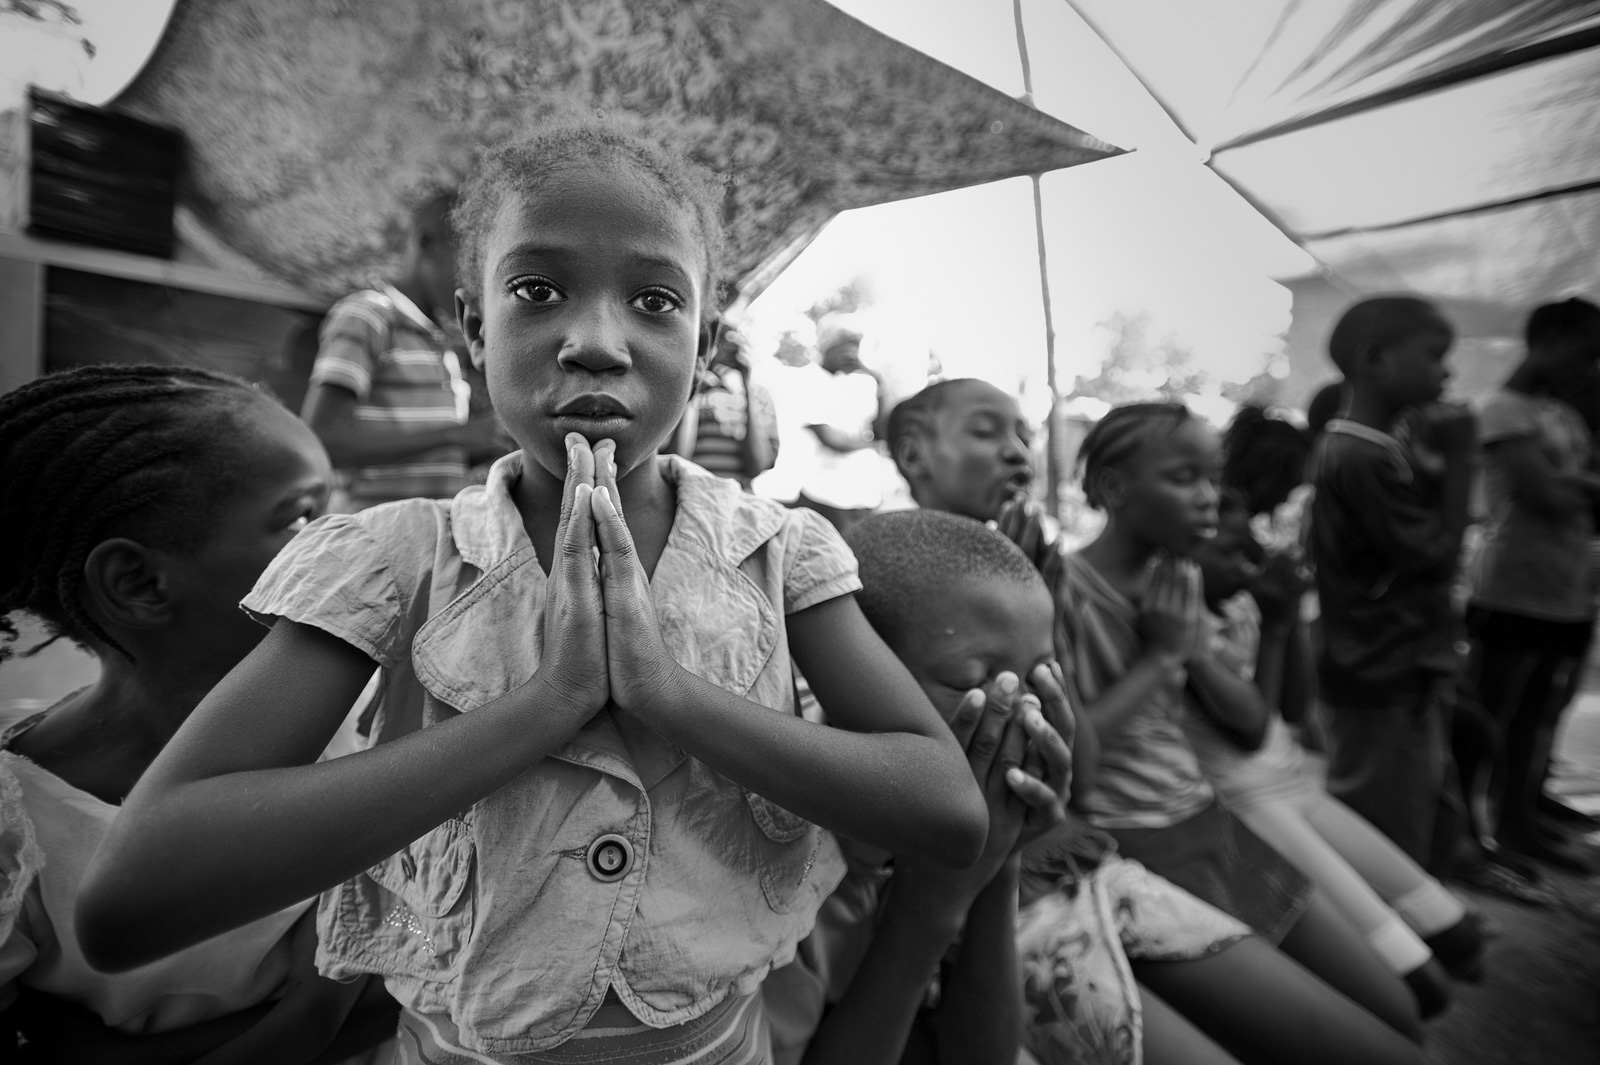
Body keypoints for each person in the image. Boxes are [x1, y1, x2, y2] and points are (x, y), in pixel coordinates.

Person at [77, 124, 988, 1064]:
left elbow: (946, 811)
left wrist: (669, 694)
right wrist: (544, 705)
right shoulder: (395, 561)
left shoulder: (778, 553)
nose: (597, 342)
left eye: (655, 300)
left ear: (705, 340)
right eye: (537, 290)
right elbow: (129, 900)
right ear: (475, 328)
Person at [885, 380, 1425, 1065]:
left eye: (1024, 435)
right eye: (990, 433)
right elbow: (1071, 778)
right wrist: (1163, 653)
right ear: (912, 452)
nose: (1020, 454)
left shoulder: (1054, 580)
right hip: (1012, 892)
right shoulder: (876, 579)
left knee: (1396, 1024)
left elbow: (1077, 764)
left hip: (1090, 857)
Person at [0, 365, 395, 1062]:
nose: (343, 543)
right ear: (140, 582)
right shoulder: (20, 822)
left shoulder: (370, 722)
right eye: (301, 517)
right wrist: (315, 1015)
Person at [765, 510, 1075, 1065]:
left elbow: (983, 1054)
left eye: (1043, 677)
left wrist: (996, 859)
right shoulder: (780, 863)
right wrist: (932, 906)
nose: (1023, 711)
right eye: (971, 682)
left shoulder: (964, 816)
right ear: (848, 679)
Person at [1190, 489, 1484, 1011]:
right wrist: (1279, 626)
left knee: (1460, 935)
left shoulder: (1241, 605)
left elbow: (1298, 708)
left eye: (1251, 553)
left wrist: (1289, 615)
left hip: (1295, 785)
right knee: (1422, 986)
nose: (1248, 564)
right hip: (1247, 802)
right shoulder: (1184, 625)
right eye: (1231, 552)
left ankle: (1406, 943)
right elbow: (1252, 730)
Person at [1309, 296, 1476, 871]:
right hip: (1381, 666)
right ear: (1376, 359)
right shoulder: (1361, 457)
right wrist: (1462, 458)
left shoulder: (1375, 447)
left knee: (1415, 792)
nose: (1447, 373)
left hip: (1398, 660)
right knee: (1384, 822)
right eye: (1434, 356)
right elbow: (1437, 555)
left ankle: (1423, 908)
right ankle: (1400, 929)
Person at [1465, 297, 1600, 869]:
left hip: (1569, 589)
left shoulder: (1559, 416)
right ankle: (1474, 828)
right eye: (1585, 351)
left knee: (1543, 711)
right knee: (1490, 714)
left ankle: (1520, 818)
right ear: (1546, 340)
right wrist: (1579, 486)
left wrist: (1573, 484)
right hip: (1513, 589)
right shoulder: (1500, 409)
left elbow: (1568, 492)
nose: (1591, 365)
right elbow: (1545, 495)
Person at [301, 190, 508, 510]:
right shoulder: (369, 315)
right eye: (468, 264)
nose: (477, 282)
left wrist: (488, 443)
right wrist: (455, 435)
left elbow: (427, 457)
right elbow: (321, 440)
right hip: (368, 541)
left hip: (427, 546)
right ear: (427, 244)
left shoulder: (443, 345)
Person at [792, 316, 890, 531]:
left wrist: (877, 379)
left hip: (863, 497)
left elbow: (882, 431)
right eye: (848, 346)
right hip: (826, 496)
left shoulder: (860, 383)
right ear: (830, 346)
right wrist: (874, 445)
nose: (853, 354)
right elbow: (832, 440)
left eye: (857, 346)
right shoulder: (809, 380)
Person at [662, 320, 779, 488]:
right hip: (694, 492)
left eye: (736, 347)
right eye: (724, 344)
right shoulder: (696, 392)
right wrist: (696, 386)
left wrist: (746, 386)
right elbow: (678, 457)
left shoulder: (759, 396)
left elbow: (757, 466)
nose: (730, 352)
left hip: (738, 497)